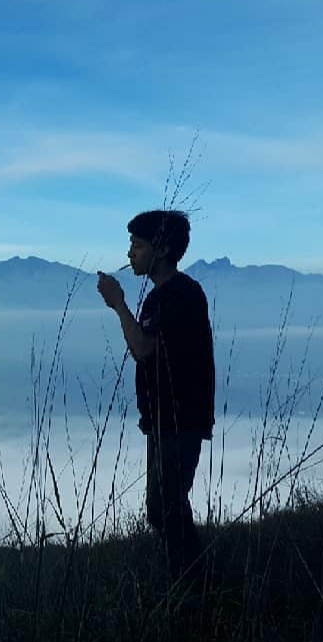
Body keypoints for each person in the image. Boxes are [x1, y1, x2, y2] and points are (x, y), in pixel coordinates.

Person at [96, 210, 216, 588]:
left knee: (166, 508)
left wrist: (118, 304)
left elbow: (144, 349)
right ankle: (188, 584)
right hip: (167, 419)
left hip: (178, 421)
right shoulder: (168, 295)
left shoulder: (177, 296)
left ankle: (195, 588)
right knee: (164, 509)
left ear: (160, 250)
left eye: (137, 245)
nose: (130, 253)